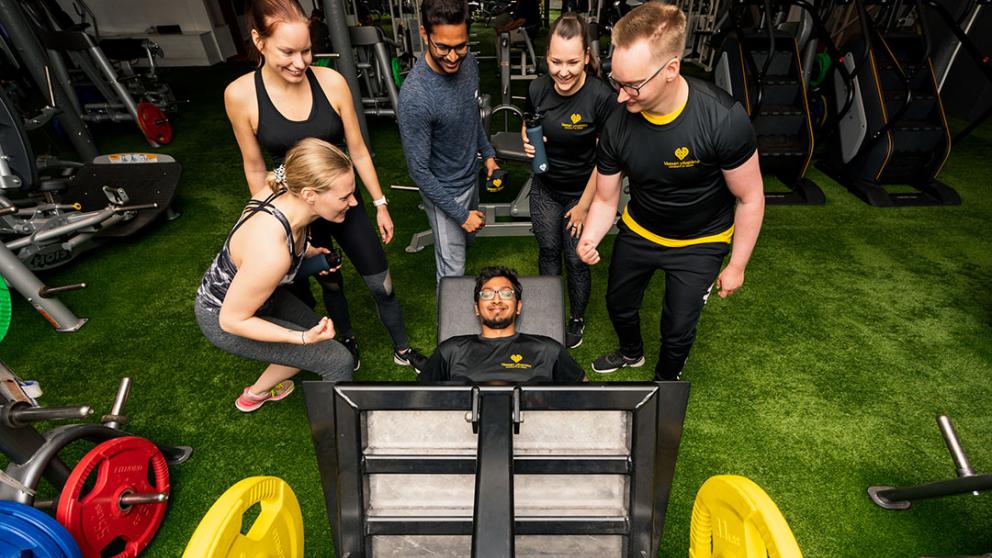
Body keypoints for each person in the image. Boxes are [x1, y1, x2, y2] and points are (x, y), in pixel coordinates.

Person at [225, 0, 426, 371]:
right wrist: (271, 226)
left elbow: (359, 149)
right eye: (288, 52)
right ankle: (345, 342)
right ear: (259, 40)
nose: (300, 63)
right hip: (296, 210)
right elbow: (254, 169)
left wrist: (379, 202)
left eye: (306, 50)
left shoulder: (332, 82)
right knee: (327, 277)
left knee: (380, 280)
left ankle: (402, 347)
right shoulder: (240, 95)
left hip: (341, 200)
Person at [577, 3, 765, 380]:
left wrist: (738, 265)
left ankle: (665, 379)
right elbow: (604, 197)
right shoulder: (618, 122)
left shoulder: (723, 119)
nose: (620, 96)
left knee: (678, 327)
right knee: (618, 303)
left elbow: (750, 197)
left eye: (632, 86)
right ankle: (632, 353)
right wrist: (591, 237)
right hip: (642, 228)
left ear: (671, 69)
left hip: (701, 240)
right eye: (617, 82)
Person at [195, 139, 356, 412]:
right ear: (309, 195)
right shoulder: (272, 252)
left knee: (322, 336)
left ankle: (254, 395)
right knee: (337, 360)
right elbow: (232, 321)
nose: (352, 202)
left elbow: (263, 253)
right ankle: (342, 440)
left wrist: (308, 252)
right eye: (344, 197)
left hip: (260, 296)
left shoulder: (280, 196)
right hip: (224, 317)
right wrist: (300, 338)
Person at [521, 13, 615, 349]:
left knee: (575, 258)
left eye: (573, 62)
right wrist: (526, 136)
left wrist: (584, 206)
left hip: (583, 191)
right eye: (556, 61)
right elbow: (530, 119)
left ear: (587, 58)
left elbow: (607, 160)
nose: (563, 70)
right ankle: (549, 313)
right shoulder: (536, 88)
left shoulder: (601, 97)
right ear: (546, 56)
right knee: (548, 250)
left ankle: (576, 318)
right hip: (546, 187)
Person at [397, 0, 499, 283]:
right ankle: (451, 329)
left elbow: (470, 115)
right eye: (443, 47)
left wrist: (487, 154)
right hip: (443, 192)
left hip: (470, 177)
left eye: (461, 46)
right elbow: (418, 171)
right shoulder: (416, 96)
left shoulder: (470, 65)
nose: (453, 57)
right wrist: (460, 214)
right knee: (452, 273)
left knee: (466, 248)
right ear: (424, 34)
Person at [419, 266, 586, 383]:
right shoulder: (450, 350)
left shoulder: (548, 349)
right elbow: (418, 397)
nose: (497, 299)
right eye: (487, 294)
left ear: (518, 306)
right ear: (477, 308)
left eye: (506, 293)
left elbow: (588, 394)